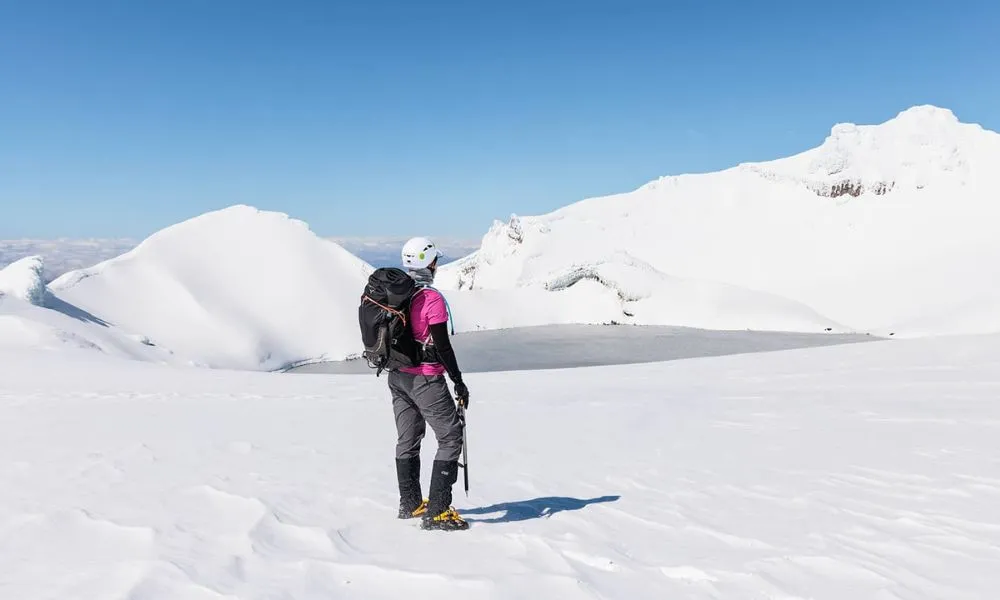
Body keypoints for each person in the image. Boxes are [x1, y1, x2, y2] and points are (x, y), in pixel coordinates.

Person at [391, 236, 471, 531]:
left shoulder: (397, 294)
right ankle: (437, 511)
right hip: (425, 377)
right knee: (450, 437)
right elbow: (442, 346)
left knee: (407, 439)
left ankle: (410, 503)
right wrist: (459, 382)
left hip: (397, 376)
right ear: (430, 263)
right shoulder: (430, 298)